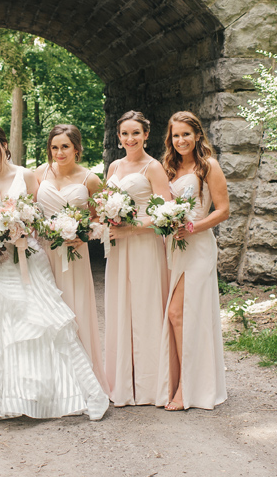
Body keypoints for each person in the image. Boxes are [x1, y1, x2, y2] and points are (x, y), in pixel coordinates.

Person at [0, 124, 108, 421]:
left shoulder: (27, 175)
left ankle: (35, 391)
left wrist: (20, 229)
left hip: (23, 255)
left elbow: (39, 216)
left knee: (33, 321)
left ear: (4, 144)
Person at [156, 111, 228, 411]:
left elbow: (223, 210)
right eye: (176, 135)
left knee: (178, 313)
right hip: (174, 247)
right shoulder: (168, 168)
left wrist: (192, 227)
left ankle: (188, 387)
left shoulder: (207, 166)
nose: (181, 140)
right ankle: (181, 381)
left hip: (197, 245)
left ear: (197, 135)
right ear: (170, 139)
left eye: (186, 134)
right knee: (182, 314)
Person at [35, 125, 109, 394]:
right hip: (43, 254)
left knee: (74, 310)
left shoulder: (90, 179)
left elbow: (102, 217)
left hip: (74, 254)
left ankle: (81, 381)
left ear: (76, 148)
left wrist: (85, 235)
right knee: (45, 313)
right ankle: (50, 381)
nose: (59, 152)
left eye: (65, 146)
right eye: (54, 147)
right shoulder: (38, 174)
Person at [104, 110, 170, 407]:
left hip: (144, 245)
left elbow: (166, 216)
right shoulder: (115, 166)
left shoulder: (153, 167)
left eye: (135, 133)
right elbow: (104, 203)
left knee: (144, 308)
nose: (130, 138)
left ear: (146, 134)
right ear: (118, 138)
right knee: (121, 307)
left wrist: (131, 228)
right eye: (124, 134)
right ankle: (123, 381)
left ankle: (149, 385)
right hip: (118, 247)